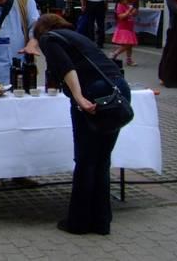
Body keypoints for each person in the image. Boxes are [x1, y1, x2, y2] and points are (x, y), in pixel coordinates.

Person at [35, 13, 131, 235]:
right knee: (102, 158)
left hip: (94, 92)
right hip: (119, 90)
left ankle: (79, 222)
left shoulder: (49, 38)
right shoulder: (78, 37)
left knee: (86, 159)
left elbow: (66, 67)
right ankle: (101, 221)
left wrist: (78, 97)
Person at [111, 0, 138, 66]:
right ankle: (115, 53)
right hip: (124, 28)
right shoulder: (119, 6)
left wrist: (134, 11)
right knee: (127, 44)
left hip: (129, 28)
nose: (128, 1)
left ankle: (129, 59)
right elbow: (120, 16)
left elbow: (132, 14)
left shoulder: (127, 6)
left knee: (130, 45)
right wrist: (129, 11)